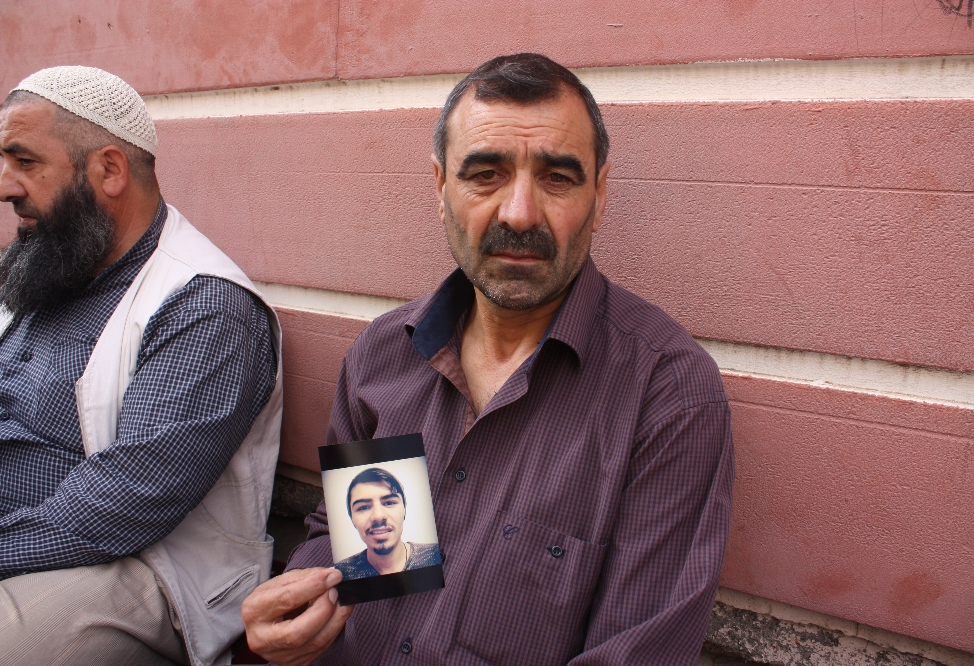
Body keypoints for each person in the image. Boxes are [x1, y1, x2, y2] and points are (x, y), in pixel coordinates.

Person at [242, 53, 734, 666]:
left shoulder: (666, 395)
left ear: (600, 193)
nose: (519, 213)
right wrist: (294, 610)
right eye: (486, 174)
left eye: (557, 178)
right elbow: (353, 549)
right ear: (440, 187)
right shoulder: (386, 356)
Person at [0, 66, 283, 666]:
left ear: (109, 170)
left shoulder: (205, 306)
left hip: (140, 567)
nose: (6, 186)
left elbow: (123, 503)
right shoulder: (45, 265)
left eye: (25, 162)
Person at [335, 468, 440, 580]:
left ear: (404, 510)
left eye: (389, 503)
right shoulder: (341, 573)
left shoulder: (435, 555)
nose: (378, 516)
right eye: (363, 507)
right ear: (352, 519)